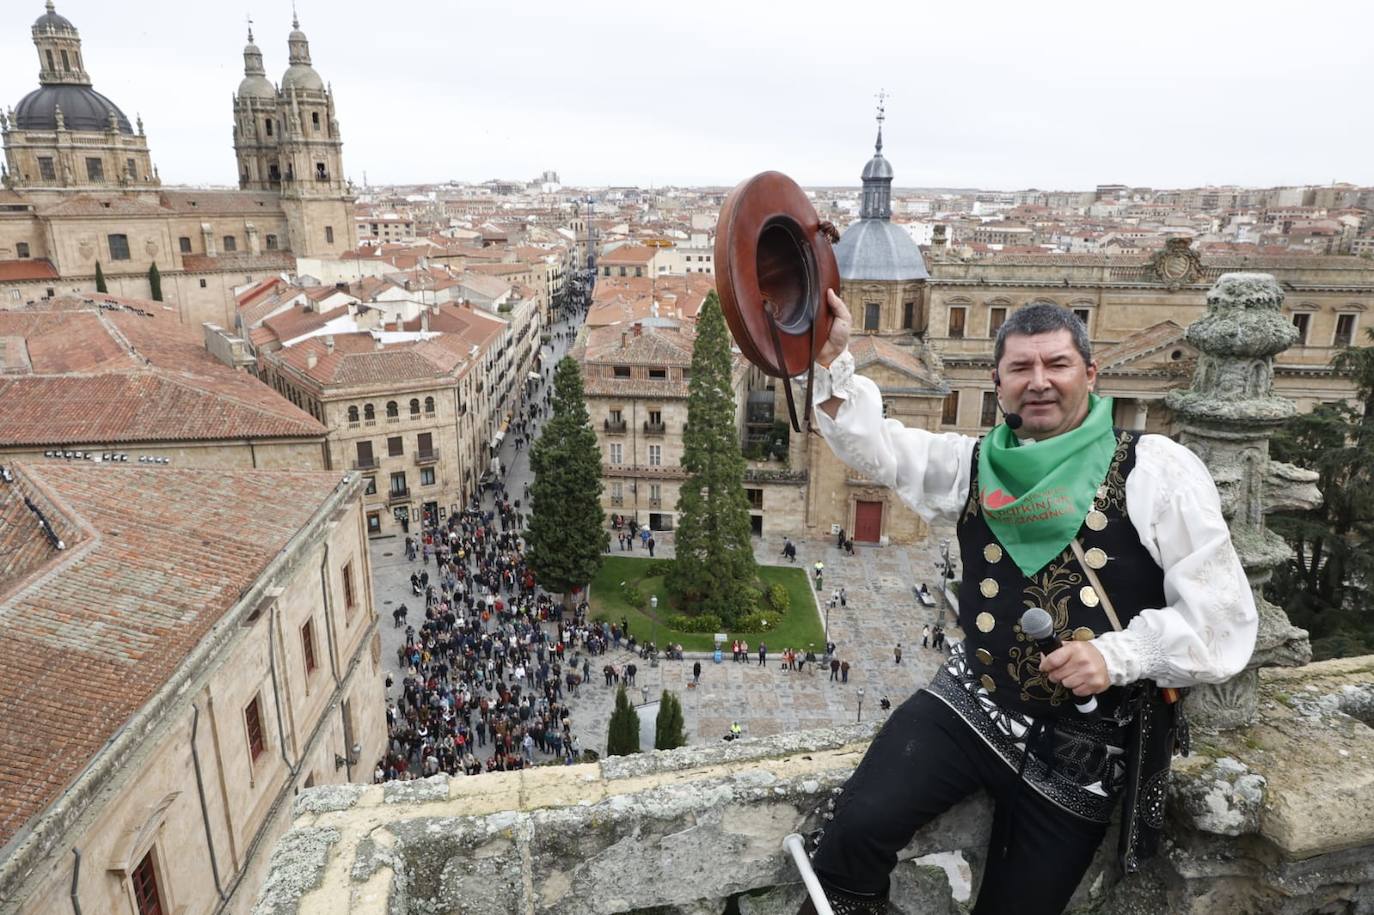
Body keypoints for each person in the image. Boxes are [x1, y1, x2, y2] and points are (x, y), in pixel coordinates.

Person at [800, 294, 1257, 915]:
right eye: (1020, 368)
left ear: (1090, 374)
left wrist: (1117, 656)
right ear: (999, 384)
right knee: (851, 833)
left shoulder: (1156, 470)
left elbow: (1223, 616)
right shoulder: (974, 464)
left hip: (1087, 746)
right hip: (974, 703)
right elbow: (878, 447)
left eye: (1057, 365)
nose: (1038, 382)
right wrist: (831, 361)